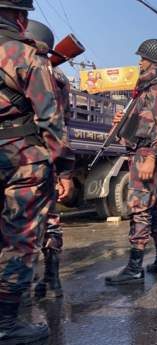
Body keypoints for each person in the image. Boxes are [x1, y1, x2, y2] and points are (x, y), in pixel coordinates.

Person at [0, 0, 74, 342]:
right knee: (19, 238)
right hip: (23, 159)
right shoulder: (28, 56)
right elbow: (50, 119)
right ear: (20, 17)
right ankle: (7, 323)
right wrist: (64, 168)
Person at [105, 39, 157, 285]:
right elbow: (147, 121)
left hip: (148, 154)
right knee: (156, 207)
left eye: (143, 58)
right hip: (148, 152)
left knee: (139, 208)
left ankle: (134, 268)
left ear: (155, 63)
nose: (140, 62)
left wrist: (149, 158)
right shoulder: (150, 88)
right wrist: (124, 118)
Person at [24, 19, 74, 299]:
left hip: (20, 152)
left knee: (16, 220)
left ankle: (18, 283)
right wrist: (64, 169)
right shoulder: (58, 78)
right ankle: (52, 279)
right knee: (50, 219)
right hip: (46, 155)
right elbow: (58, 123)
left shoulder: (23, 66)